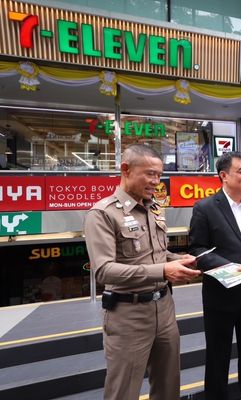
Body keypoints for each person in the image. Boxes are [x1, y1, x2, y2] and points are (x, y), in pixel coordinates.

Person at [84, 144, 201, 400]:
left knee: (169, 386)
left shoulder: (155, 207)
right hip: (128, 315)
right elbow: (104, 270)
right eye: (150, 174)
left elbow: (156, 254)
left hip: (164, 309)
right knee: (123, 391)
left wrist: (178, 259)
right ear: (125, 169)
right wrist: (163, 270)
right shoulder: (103, 213)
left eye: (159, 175)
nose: (156, 182)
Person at [188, 151, 241, 400]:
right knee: (218, 355)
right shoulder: (205, 207)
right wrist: (231, 268)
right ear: (223, 176)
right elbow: (197, 249)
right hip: (220, 295)